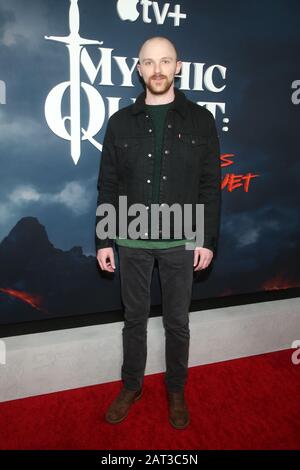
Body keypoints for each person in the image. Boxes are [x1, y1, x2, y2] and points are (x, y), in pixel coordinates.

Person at [96, 37, 221, 429]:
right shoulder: (120, 122)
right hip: (130, 241)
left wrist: (207, 239)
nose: (157, 70)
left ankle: (176, 389)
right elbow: (108, 185)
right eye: (149, 63)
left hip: (182, 242)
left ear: (178, 66)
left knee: (177, 323)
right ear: (138, 68)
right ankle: (132, 385)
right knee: (134, 320)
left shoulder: (201, 119)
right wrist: (104, 238)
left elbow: (209, 186)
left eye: (165, 61)